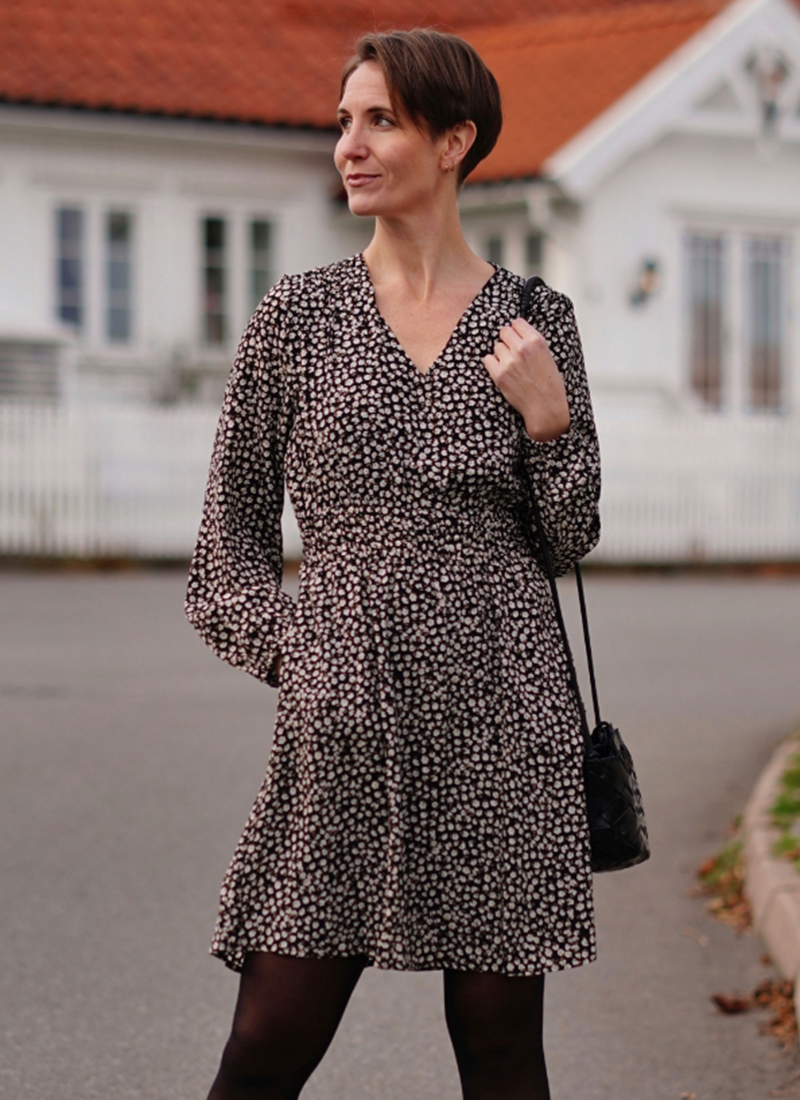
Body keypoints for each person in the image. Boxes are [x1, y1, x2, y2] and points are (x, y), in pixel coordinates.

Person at [185, 27, 601, 1100]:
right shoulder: (298, 317)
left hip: (503, 716)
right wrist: (306, 654)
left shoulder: (535, 322)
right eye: (344, 122)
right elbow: (225, 548)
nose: (349, 146)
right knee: (269, 1036)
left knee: (499, 1043)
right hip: (343, 716)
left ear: (454, 141)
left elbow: (565, 539)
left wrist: (549, 421)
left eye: (381, 121)